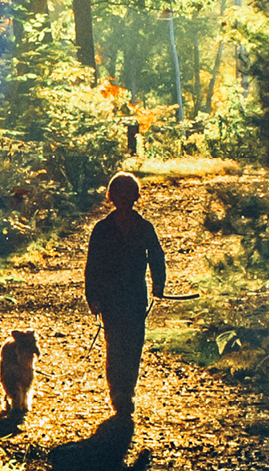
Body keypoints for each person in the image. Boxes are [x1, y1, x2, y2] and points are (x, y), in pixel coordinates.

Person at [82, 170, 195, 418]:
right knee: (114, 345)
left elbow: (156, 257)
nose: (124, 200)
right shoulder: (102, 230)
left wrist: (159, 285)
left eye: (128, 195)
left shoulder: (144, 228)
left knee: (133, 346)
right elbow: (93, 266)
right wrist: (93, 298)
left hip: (135, 297)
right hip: (111, 299)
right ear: (111, 197)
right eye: (120, 195)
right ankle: (117, 393)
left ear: (136, 198)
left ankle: (127, 391)